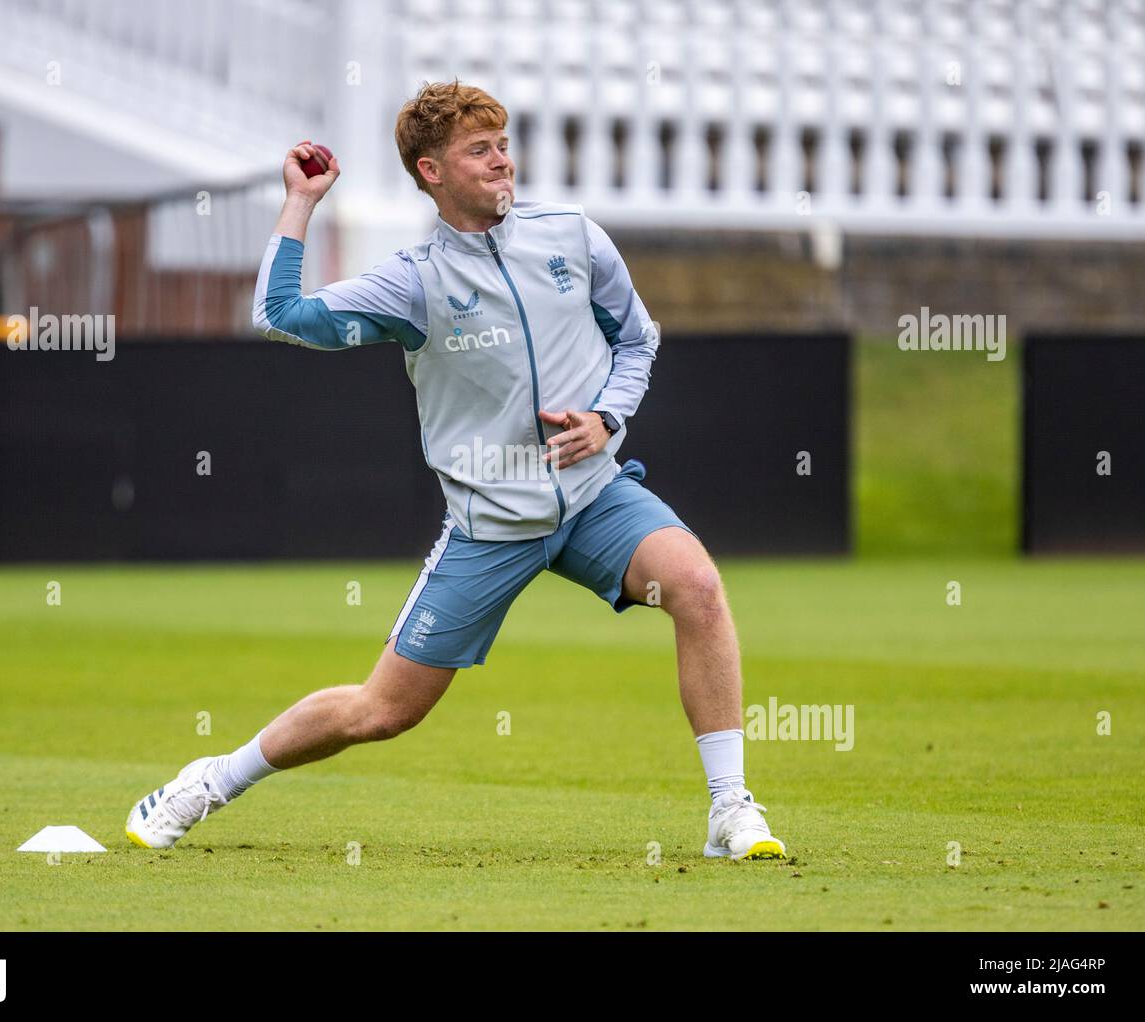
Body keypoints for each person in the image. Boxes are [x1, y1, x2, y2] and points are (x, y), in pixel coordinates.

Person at [126, 80, 786, 862]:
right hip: (491, 527)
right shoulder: (414, 281)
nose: (502, 162)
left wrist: (606, 417)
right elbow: (278, 316)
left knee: (699, 588)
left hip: (594, 497)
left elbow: (638, 340)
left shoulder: (573, 235)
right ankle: (209, 781)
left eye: (503, 145)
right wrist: (302, 201)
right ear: (432, 172)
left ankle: (730, 808)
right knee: (382, 711)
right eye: (480, 151)